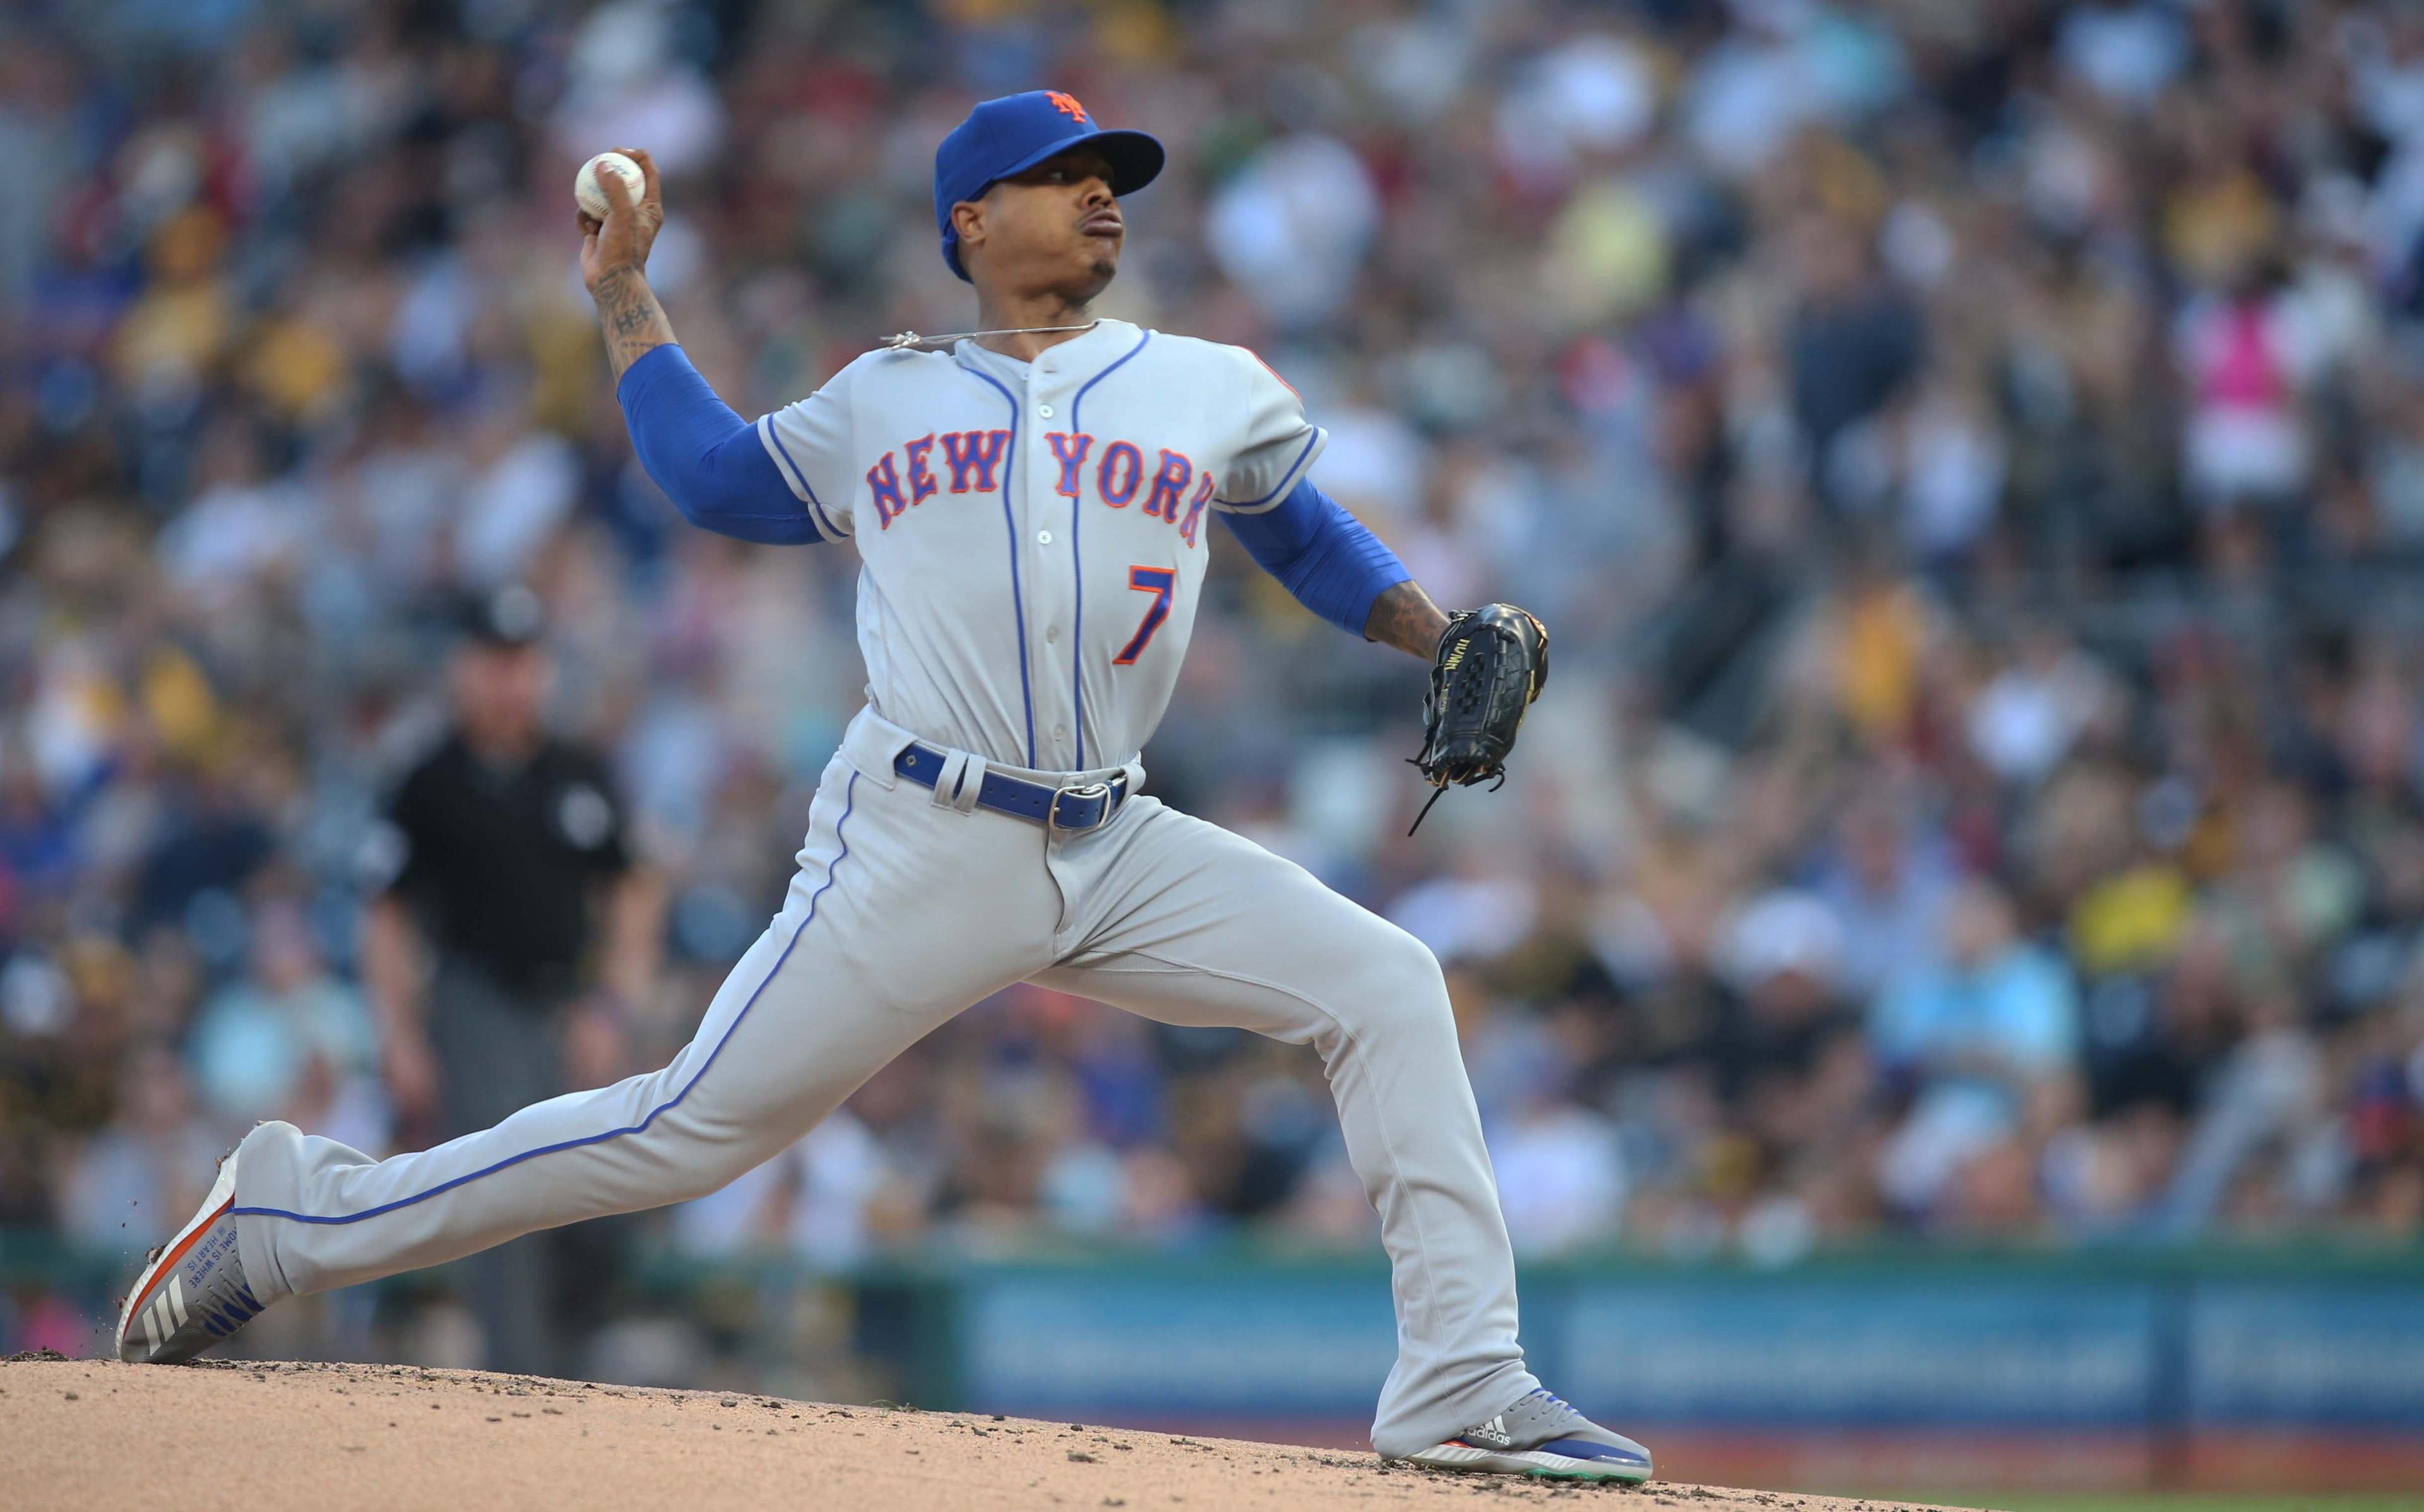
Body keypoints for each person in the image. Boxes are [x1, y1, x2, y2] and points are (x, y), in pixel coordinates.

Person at [113, 92, 1650, 1484]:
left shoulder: (1202, 384)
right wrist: (623, 292)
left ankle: (1462, 1381)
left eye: (1112, 178)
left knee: (1384, 981)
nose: (1104, 197)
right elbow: (712, 478)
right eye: (1061, 178)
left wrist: (1431, 632)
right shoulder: (883, 398)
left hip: (1118, 835)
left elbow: (1300, 531)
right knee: (681, 1133)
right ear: (969, 222)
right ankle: (291, 1214)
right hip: (920, 834)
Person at [355, 585, 666, 1374]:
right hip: (475, 1005)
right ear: (463, 668)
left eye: (523, 662)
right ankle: (517, 1384)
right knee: (501, 1184)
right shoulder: (429, 780)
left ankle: (578, 1373)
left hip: (571, 1004)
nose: (509, 679)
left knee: (595, 1190)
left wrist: (617, 1000)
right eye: (494, 662)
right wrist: (398, 1035)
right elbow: (385, 913)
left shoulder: (577, 769)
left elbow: (632, 882)